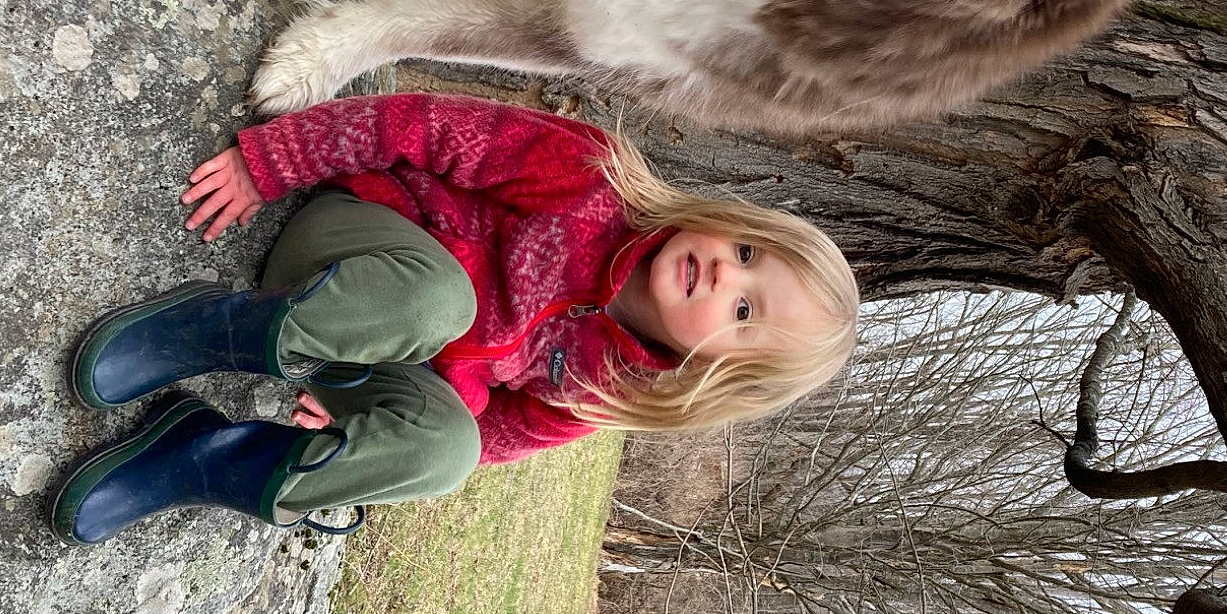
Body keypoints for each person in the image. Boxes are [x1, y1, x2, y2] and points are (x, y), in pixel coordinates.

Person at [50, 93, 860, 544]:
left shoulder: (607, 389)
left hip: (356, 364)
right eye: (747, 252)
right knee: (444, 302)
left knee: (448, 453)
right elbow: (422, 126)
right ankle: (199, 330)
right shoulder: (593, 181)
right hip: (345, 255)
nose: (724, 273)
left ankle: (203, 458)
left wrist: (364, 417)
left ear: (716, 372)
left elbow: (498, 432)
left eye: (743, 310)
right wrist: (276, 161)